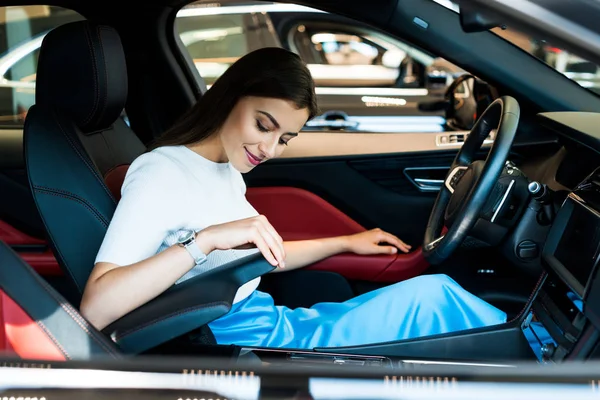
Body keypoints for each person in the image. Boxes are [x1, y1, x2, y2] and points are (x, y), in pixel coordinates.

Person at [80, 47, 506, 349]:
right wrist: (205, 240)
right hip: (248, 342)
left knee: (437, 296)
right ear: (229, 98)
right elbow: (97, 307)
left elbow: (259, 254)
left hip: (273, 322)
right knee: (436, 301)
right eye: (262, 125)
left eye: (284, 138)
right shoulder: (161, 173)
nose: (268, 149)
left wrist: (345, 242)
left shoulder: (224, 168)